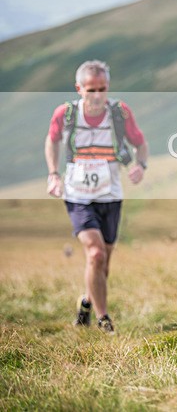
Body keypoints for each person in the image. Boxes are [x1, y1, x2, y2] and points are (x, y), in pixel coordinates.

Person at [44, 60, 148, 334]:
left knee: (103, 264)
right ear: (79, 88)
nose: (97, 95)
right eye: (91, 90)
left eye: (102, 88)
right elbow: (52, 140)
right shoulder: (65, 114)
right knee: (95, 252)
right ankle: (104, 319)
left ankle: (87, 301)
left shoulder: (119, 113)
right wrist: (54, 173)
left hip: (110, 195)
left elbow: (140, 143)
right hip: (78, 195)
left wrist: (140, 165)